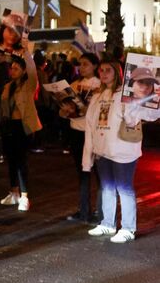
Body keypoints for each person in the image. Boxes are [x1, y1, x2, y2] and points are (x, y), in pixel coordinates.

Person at [83, 60, 160, 243]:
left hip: (123, 150)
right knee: (107, 188)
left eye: (108, 70)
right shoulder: (98, 96)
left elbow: (150, 114)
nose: (103, 73)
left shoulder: (126, 95)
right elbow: (89, 124)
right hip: (103, 149)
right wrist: (89, 153)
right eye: (101, 70)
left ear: (117, 72)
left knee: (124, 188)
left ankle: (128, 228)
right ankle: (108, 223)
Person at [0, 38, 42, 212]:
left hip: (22, 127)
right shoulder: (7, 86)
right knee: (11, 161)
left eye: (17, 68)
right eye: (12, 68)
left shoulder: (28, 85)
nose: (13, 70)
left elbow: (33, 72)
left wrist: (27, 54)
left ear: (23, 71)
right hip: (9, 126)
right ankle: (14, 192)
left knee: (21, 162)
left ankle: (25, 196)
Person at [63, 53, 101, 223]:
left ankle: (101, 211)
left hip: (93, 133)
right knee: (82, 172)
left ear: (94, 66)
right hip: (76, 131)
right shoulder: (74, 85)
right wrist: (64, 110)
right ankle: (84, 210)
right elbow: (64, 109)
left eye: (85, 64)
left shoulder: (100, 86)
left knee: (100, 173)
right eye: (80, 64)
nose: (82, 67)